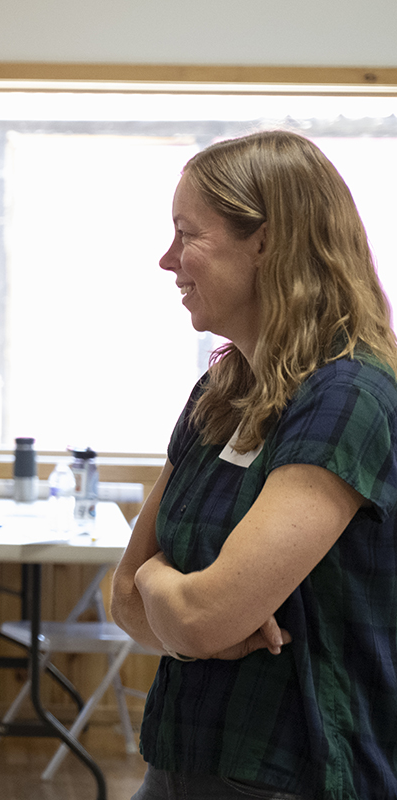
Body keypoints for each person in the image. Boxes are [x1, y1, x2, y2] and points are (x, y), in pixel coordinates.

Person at [111, 130, 397, 799]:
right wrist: (170, 603)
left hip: (300, 773)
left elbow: (198, 612)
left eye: (187, 234)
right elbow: (121, 600)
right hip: (184, 755)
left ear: (264, 243)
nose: (166, 259)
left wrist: (163, 588)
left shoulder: (348, 395)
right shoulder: (220, 392)